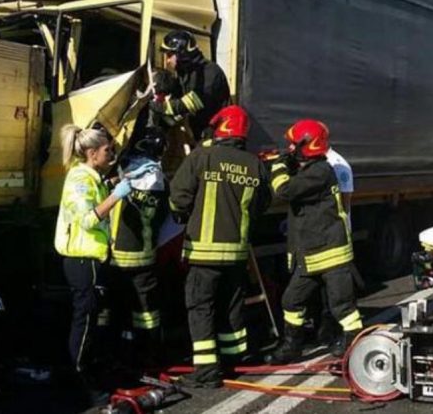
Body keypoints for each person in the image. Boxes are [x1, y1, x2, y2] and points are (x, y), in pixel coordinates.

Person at [169, 105, 271, 388]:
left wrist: (182, 214)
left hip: (203, 253)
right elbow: (263, 204)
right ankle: (233, 362)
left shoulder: (202, 157)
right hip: (236, 254)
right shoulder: (255, 164)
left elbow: (178, 198)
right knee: (231, 306)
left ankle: (207, 372)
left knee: (201, 308)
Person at [54, 124, 148, 404]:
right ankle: (82, 380)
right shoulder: (80, 178)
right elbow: (87, 219)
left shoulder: (91, 176)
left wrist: (109, 186)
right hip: (84, 261)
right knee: (84, 323)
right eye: (108, 150)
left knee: (92, 321)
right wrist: (116, 195)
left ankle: (90, 372)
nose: (112, 154)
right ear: (93, 153)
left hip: (92, 260)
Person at [267, 120, 362, 363]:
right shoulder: (311, 170)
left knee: (342, 306)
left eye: (293, 144)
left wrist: (279, 164)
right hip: (310, 254)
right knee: (291, 301)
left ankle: (354, 341)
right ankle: (291, 346)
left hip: (329, 252)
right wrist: (290, 160)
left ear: (307, 145)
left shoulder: (320, 172)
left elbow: (284, 190)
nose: (289, 148)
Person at [108, 127, 167, 367]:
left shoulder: (125, 171)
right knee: (146, 312)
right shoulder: (161, 180)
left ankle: (116, 351)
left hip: (117, 256)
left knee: (115, 308)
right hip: (145, 254)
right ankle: (149, 354)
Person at [150, 30, 231, 142]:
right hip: (200, 136)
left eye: (169, 55)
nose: (167, 61)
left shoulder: (209, 72)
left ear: (181, 53)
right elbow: (177, 100)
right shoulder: (185, 74)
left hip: (217, 137)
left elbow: (190, 103)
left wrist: (155, 106)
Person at [314, 146, 354, 347]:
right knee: (323, 289)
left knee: (336, 292)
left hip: (335, 238)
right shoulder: (319, 163)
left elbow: (344, 206)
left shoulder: (338, 165)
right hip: (322, 235)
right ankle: (326, 329)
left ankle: (341, 335)